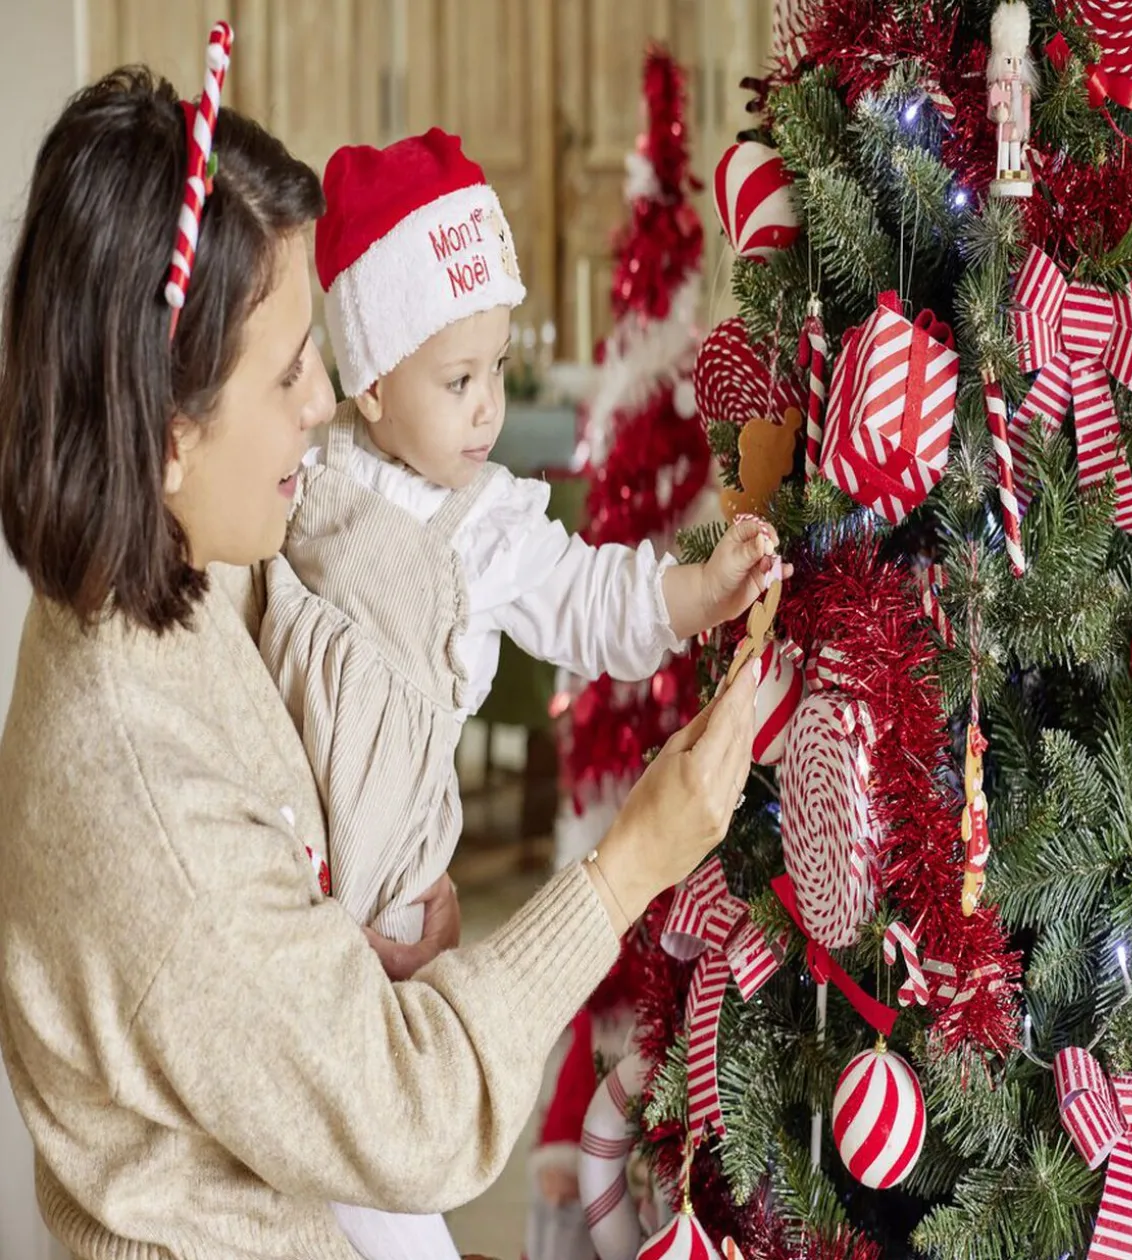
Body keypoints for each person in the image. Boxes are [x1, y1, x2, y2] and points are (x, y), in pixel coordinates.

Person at [0, 66, 756, 1260]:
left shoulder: (185, 556)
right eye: (293, 368)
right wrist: (630, 866)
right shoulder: (140, 782)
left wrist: (337, 952)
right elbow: (414, 1115)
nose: (326, 407)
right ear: (167, 429)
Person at [259, 127, 780, 1260]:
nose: (490, 409)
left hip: (388, 903)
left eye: (496, 369)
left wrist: (698, 589)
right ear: (371, 377)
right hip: (281, 887)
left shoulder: (487, 524)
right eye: (459, 380)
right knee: (288, 1175)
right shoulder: (300, 480)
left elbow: (593, 602)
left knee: (382, 1190)